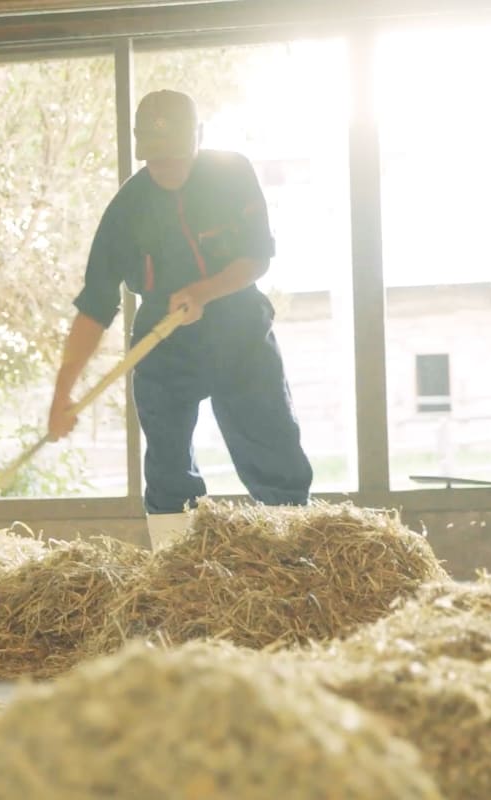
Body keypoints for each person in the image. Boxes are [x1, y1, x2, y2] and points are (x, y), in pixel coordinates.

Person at [46, 89, 313, 550]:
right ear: (139, 148)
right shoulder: (126, 211)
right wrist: (62, 394)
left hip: (238, 325)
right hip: (162, 335)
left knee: (272, 447)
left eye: (175, 156)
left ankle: (292, 556)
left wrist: (203, 292)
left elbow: (256, 258)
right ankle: (175, 566)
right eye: (155, 157)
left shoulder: (233, 174)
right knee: (167, 464)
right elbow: (93, 307)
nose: (166, 168)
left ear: (199, 139)